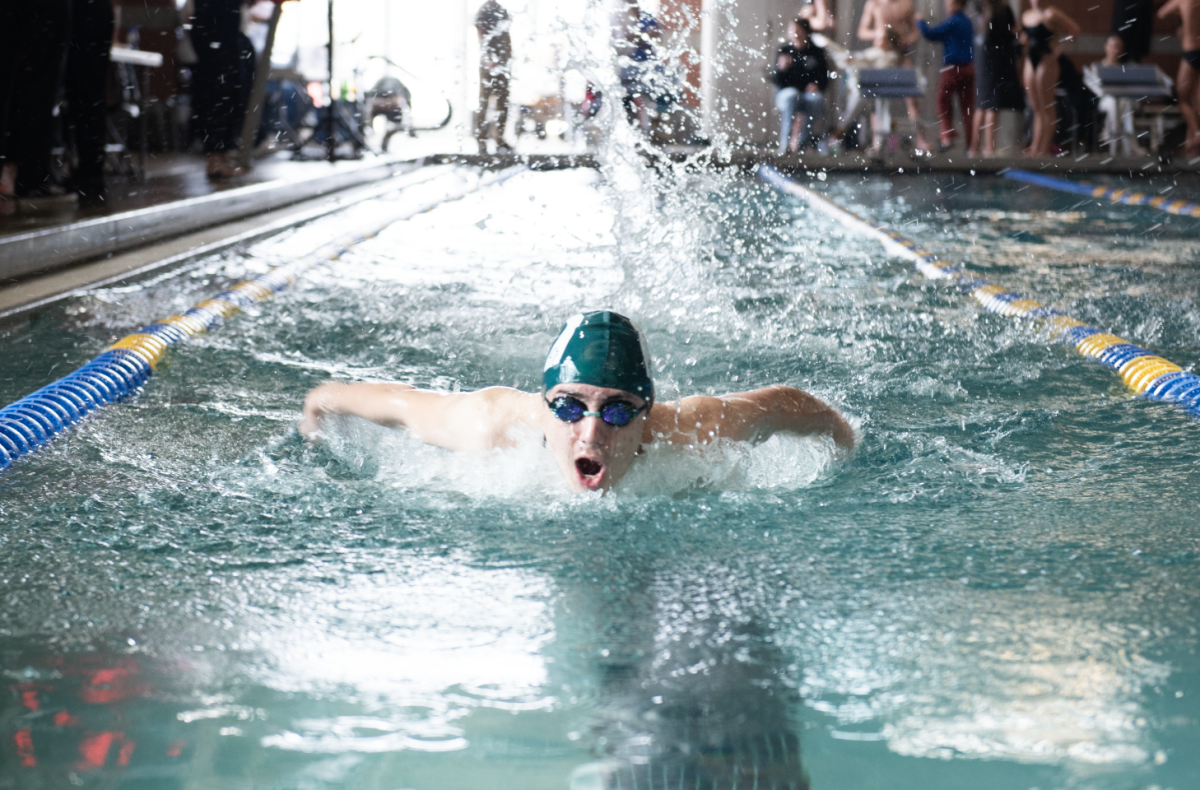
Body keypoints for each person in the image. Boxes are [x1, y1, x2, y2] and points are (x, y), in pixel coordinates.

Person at [299, 311, 855, 494]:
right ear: (543, 405)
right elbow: (398, 403)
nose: (591, 434)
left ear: (646, 414)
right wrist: (322, 402)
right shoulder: (493, 424)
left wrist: (844, 449)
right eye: (568, 407)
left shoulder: (693, 430)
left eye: (616, 410)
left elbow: (795, 405)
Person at [190, 0, 255, 178]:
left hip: (228, 28)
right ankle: (215, 158)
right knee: (218, 95)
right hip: (215, 29)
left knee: (233, 95)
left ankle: (222, 156)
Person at [858, 0, 931, 151]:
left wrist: (907, 39)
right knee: (877, 98)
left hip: (901, 55)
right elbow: (862, 31)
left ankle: (920, 139)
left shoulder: (906, 4)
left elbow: (915, 32)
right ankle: (877, 142)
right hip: (882, 55)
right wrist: (879, 33)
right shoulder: (874, 4)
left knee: (913, 97)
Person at [1020, 0, 1080, 157]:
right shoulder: (1027, 16)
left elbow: (1074, 31)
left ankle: (1044, 148)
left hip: (1047, 60)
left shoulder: (1051, 13)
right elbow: (1026, 37)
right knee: (1036, 107)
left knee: (1046, 106)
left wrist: (1058, 51)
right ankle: (1035, 146)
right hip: (1030, 60)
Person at [918, 0, 976, 154]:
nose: (946, 5)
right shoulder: (967, 22)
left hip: (953, 69)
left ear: (957, 4)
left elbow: (930, 34)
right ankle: (971, 147)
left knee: (942, 101)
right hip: (969, 68)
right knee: (967, 109)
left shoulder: (952, 22)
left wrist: (920, 21)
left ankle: (947, 134)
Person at [973, 0, 1024, 156]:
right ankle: (990, 148)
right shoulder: (1003, 9)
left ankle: (973, 149)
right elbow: (1011, 32)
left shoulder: (980, 5)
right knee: (992, 105)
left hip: (983, 57)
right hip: (998, 59)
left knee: (982, 103)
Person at [772, 18, 831, 154]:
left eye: (798, 30)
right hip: (788, 94)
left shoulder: (816, 52)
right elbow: (777, 80)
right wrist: (781, 68)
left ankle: (803, 142)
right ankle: (785, 143)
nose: (795, 34)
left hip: (807, 95)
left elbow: (824, 79)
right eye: (792, 30)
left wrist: (817, 85)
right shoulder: (784, 50)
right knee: (792, 95)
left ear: (806, 32)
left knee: (816, 99)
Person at [1159, 0, 1200, 156]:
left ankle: (1197, 134)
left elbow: (1161, 13)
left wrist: (1181, 12)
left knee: (1182, 99)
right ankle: (1192, 147)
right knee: (1197, 106)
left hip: (1191, 52)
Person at [618, 3, 663, 134]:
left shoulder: (646, 18)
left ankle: (645, 129)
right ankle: (633, 128)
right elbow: (627, 37)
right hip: (631, 65)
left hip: (646, 65)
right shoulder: (626, 19)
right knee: (627, 98)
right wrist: (641, 36)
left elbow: (657, 31)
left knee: (643, 98)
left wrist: (639, 36)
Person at [475, 0, 513, 154]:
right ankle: (482, 141)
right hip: (489, 62)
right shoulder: (484, 10)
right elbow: (480, 33)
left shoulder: (501, 9)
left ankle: (499, 138)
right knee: (484, 101)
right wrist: (487, 57)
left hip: (503, 61)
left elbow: (506, 37)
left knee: (502, 102)